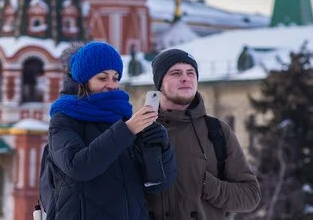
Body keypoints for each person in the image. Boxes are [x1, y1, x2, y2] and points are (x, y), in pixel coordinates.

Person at [47, 42, 176, 219]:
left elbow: (158, 185)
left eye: (115, 78)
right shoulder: (63, 119)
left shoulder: (123, 117)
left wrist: (161, 146)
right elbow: (79, 167)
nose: (111, 85)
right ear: (84, 80)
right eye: (102, 78)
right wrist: (127, 130)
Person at [146, 49, 261, 219]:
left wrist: (207, 185)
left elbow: (250, 196)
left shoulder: (217, 131)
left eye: (191, 73)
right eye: (176, 73)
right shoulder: (141, 130)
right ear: (160, 83)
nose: (185, 78)